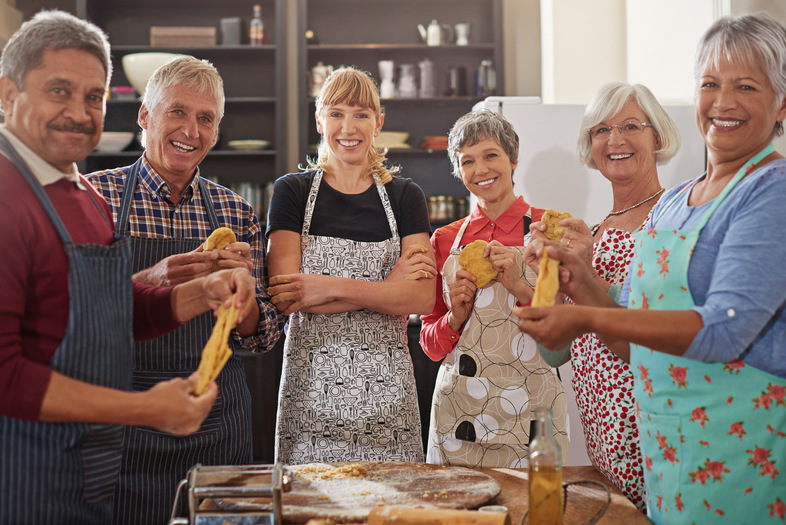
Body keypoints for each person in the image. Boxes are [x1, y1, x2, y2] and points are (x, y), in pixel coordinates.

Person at [516, 12, 786, 524]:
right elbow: (627, 338)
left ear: (781, 104)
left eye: (746, 86)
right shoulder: (676, 203)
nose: (723, 101)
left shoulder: (771, 192)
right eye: (710, 84)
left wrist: (586, 315)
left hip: (739, 450)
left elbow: (723, 331)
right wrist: (577, 278)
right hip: (669, 448)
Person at [0, 10, 256, 524]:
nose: (79, 111)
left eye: (93, 97)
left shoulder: (80, 195)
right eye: (58, 90)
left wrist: (203, 291)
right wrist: (143, 410)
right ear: (8, 95)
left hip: (90, 462)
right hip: (30, 468)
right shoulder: (7, 197)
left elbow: (115, 311)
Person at [86, 55, 284, 524]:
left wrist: (243, 303)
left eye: (205, 119)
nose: (190, 131)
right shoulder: (94, 199)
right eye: (177, 111)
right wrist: (150, 278)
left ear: (216, 131)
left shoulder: (235, 213)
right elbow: (73, 314)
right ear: (145, 116)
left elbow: (262, 336)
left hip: (215, 419)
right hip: (124, 418)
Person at [266, 66, 436, 464]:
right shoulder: (291, 191)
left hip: (388, 395)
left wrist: (327, 287)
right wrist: (387, 287)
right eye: (337, 113)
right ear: (319, 119)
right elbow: (286, 294)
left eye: (361, 114)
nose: (349, 126)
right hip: (311, 392)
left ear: (378, 123)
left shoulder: (406, 196)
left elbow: (422, 297)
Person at [532, 82, 680, 510]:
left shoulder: (671, 217)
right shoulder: (592, 231)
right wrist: (548, 278)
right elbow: (554, 352)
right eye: (601, 130)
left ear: (657, 136)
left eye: (630, 125)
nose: (614, 140)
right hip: (602, 446)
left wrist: (586, 272)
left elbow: (655, 339)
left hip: (654, 432)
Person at [419, 109, 569, 468]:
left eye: (491, 155)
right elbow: (430, 345)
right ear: (459, 172)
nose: (481, 169)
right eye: (467, 161)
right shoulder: (444, 239)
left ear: (513, 158)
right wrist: (454, 318)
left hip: (534, 409)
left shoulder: (548, 231)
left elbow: (564, 333)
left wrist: (518, 286)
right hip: (460, 410)